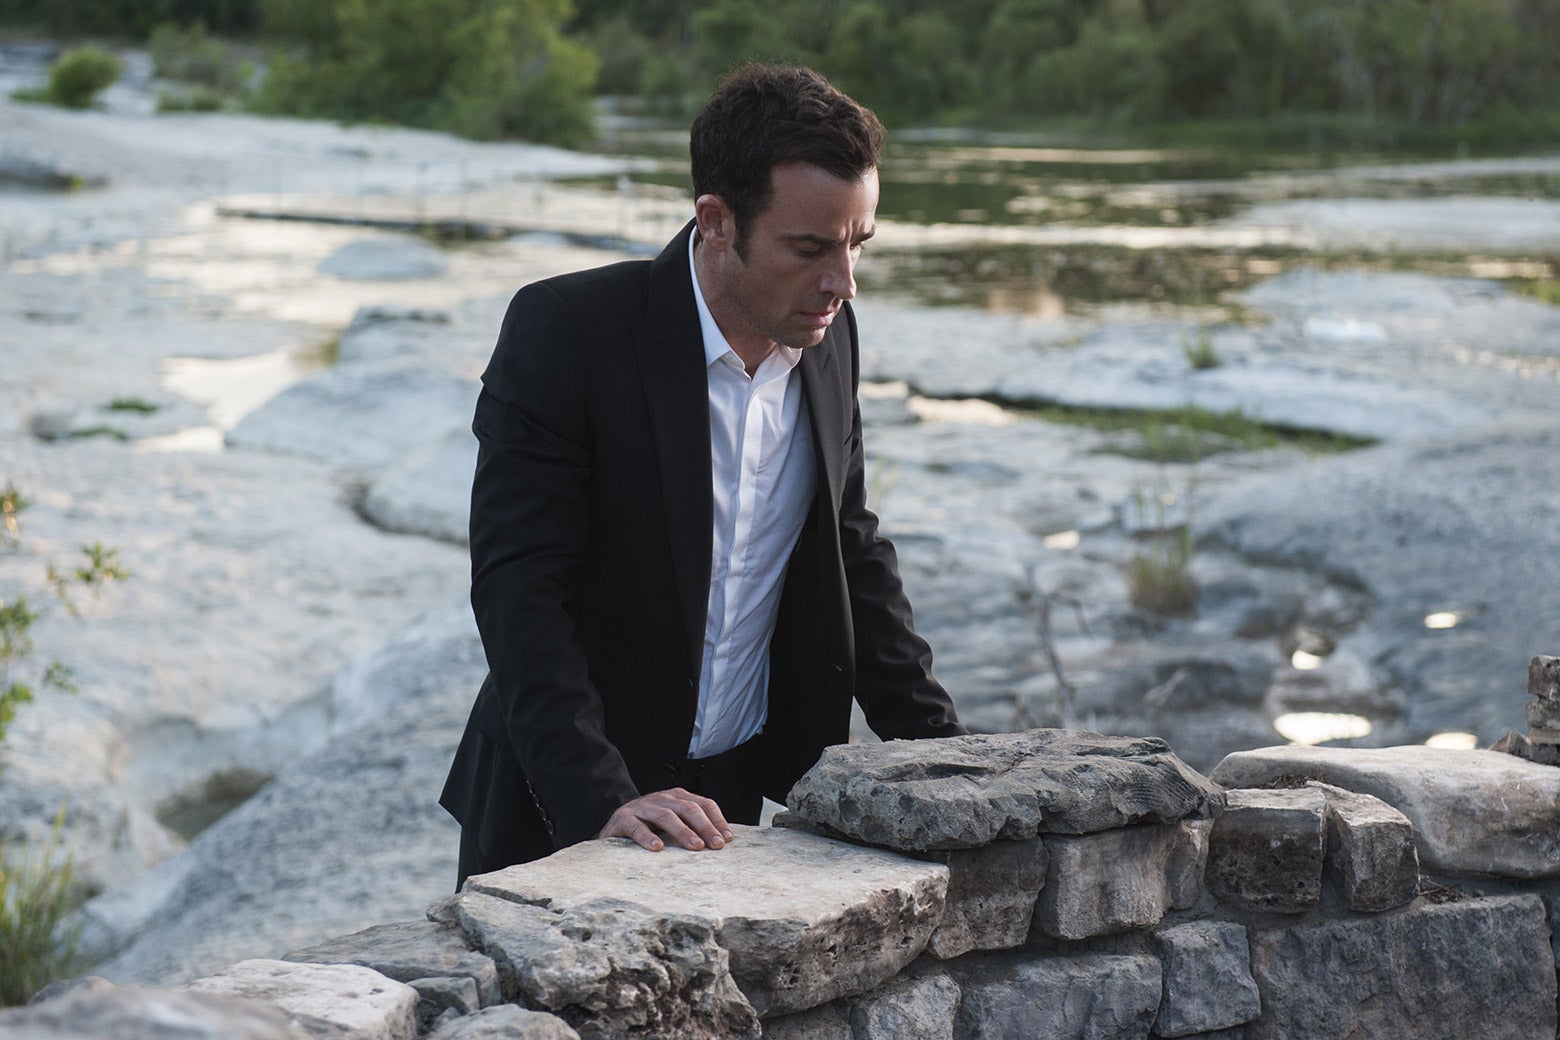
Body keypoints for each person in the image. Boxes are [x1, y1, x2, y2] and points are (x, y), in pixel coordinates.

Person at [440, 63, 965, 886]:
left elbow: (849, 546)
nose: (843, 283)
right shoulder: (569, 330)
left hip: (736, 797)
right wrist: (602, 798)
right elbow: (518, 589)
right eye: (810, 248)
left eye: (857, 245)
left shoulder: (829, 335)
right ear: (716, 222)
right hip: (565, 800)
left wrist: (946, 757)